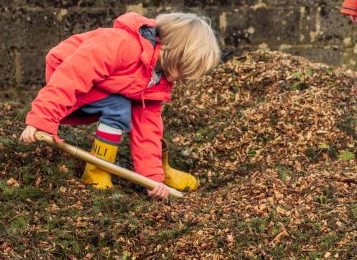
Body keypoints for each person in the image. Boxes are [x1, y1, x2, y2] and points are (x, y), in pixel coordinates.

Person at [19, 12, 221, 196]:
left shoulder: (159, 80)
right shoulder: (123, 45)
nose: (184, 78)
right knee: (119, 106)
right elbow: (73, 76)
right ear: (175, 50)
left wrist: (152, 180)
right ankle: (97, 170)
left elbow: (147, 129)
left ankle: (152, 169)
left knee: (131, 111)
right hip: (64, 71)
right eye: (185, 67)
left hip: (106, 87)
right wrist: (42, 119)